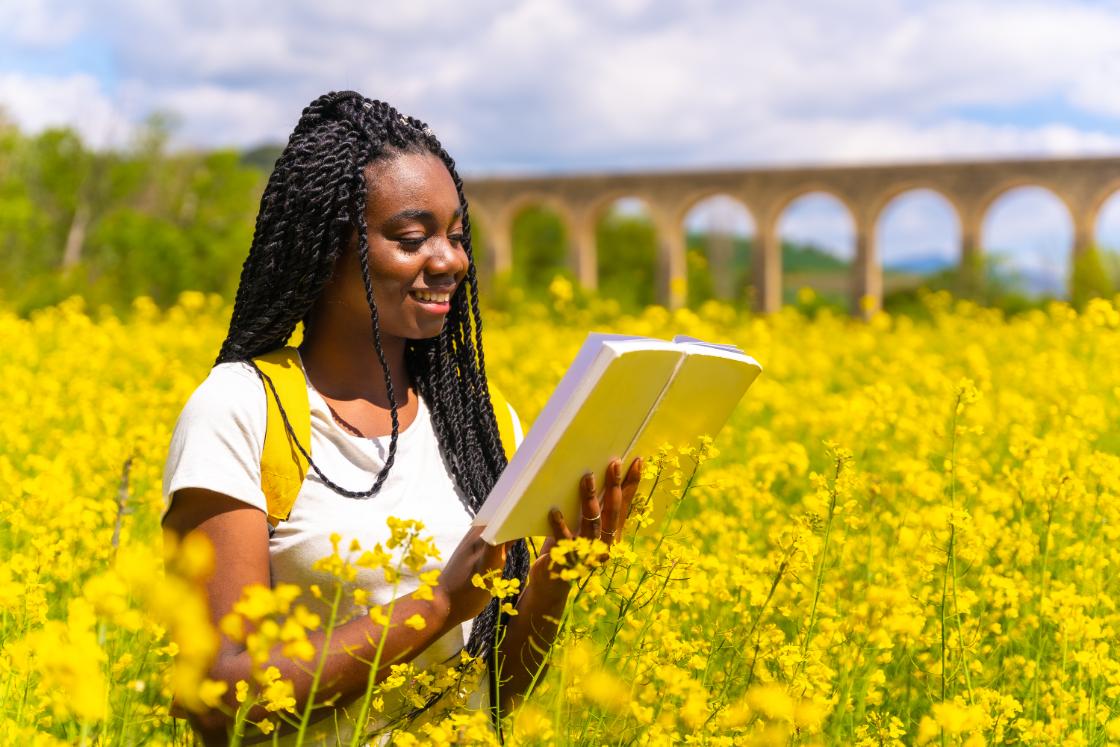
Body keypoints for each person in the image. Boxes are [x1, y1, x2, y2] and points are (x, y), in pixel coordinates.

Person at [160, 91, 643, 746]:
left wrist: (555, 580)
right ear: (324, 245)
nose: (449, 261)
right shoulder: (241, 410)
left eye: (457, 236)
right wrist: (437, 606)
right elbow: (215, 694)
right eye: (413, 238)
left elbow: (495, 693)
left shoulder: (486, 424)